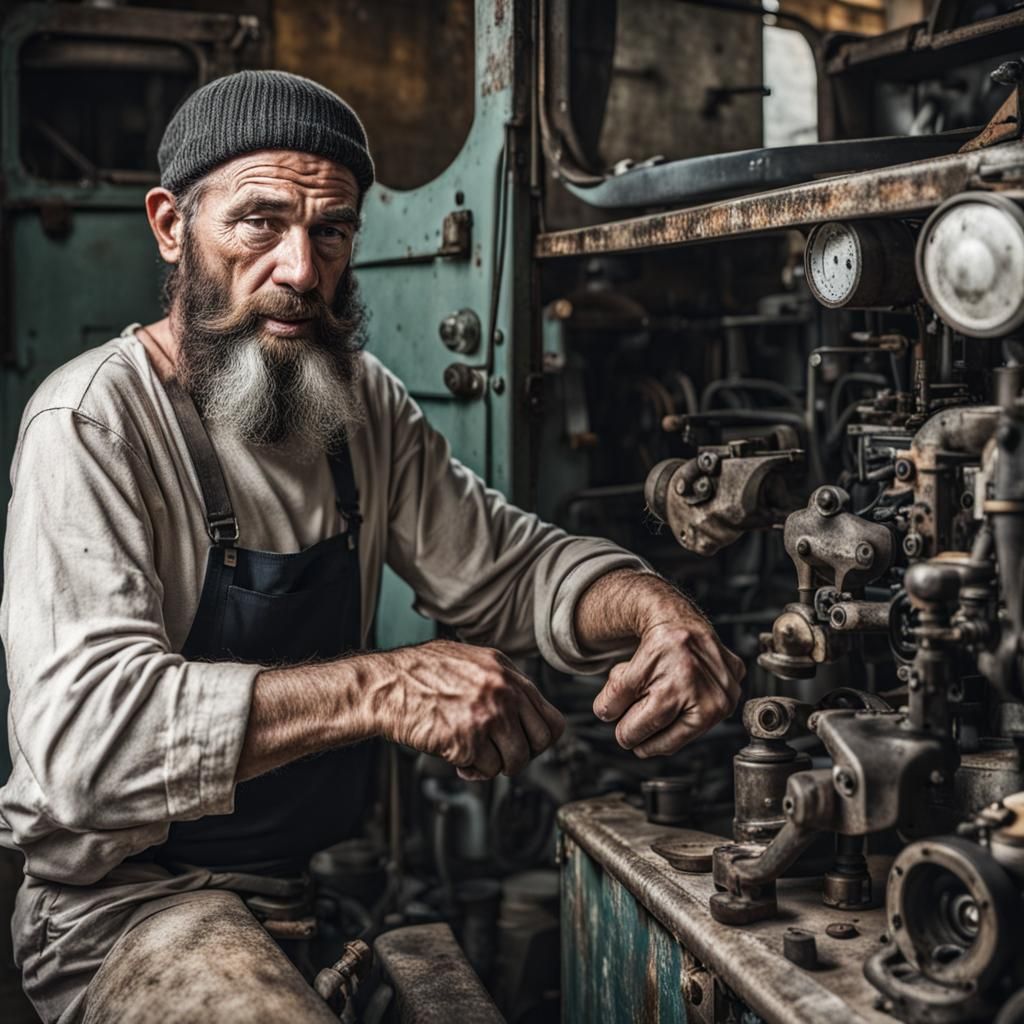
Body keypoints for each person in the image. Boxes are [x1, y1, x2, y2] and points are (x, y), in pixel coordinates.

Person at [0, 71, 744, 1022]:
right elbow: (83, 749)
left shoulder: (354, 401)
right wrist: (384, 687)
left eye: (332, 231)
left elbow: (507, 570)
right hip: (128, 909)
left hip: (311, 888)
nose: (302, 271)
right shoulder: (94, 424)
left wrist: (656, 609)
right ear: (171, 226)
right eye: (259, 223)